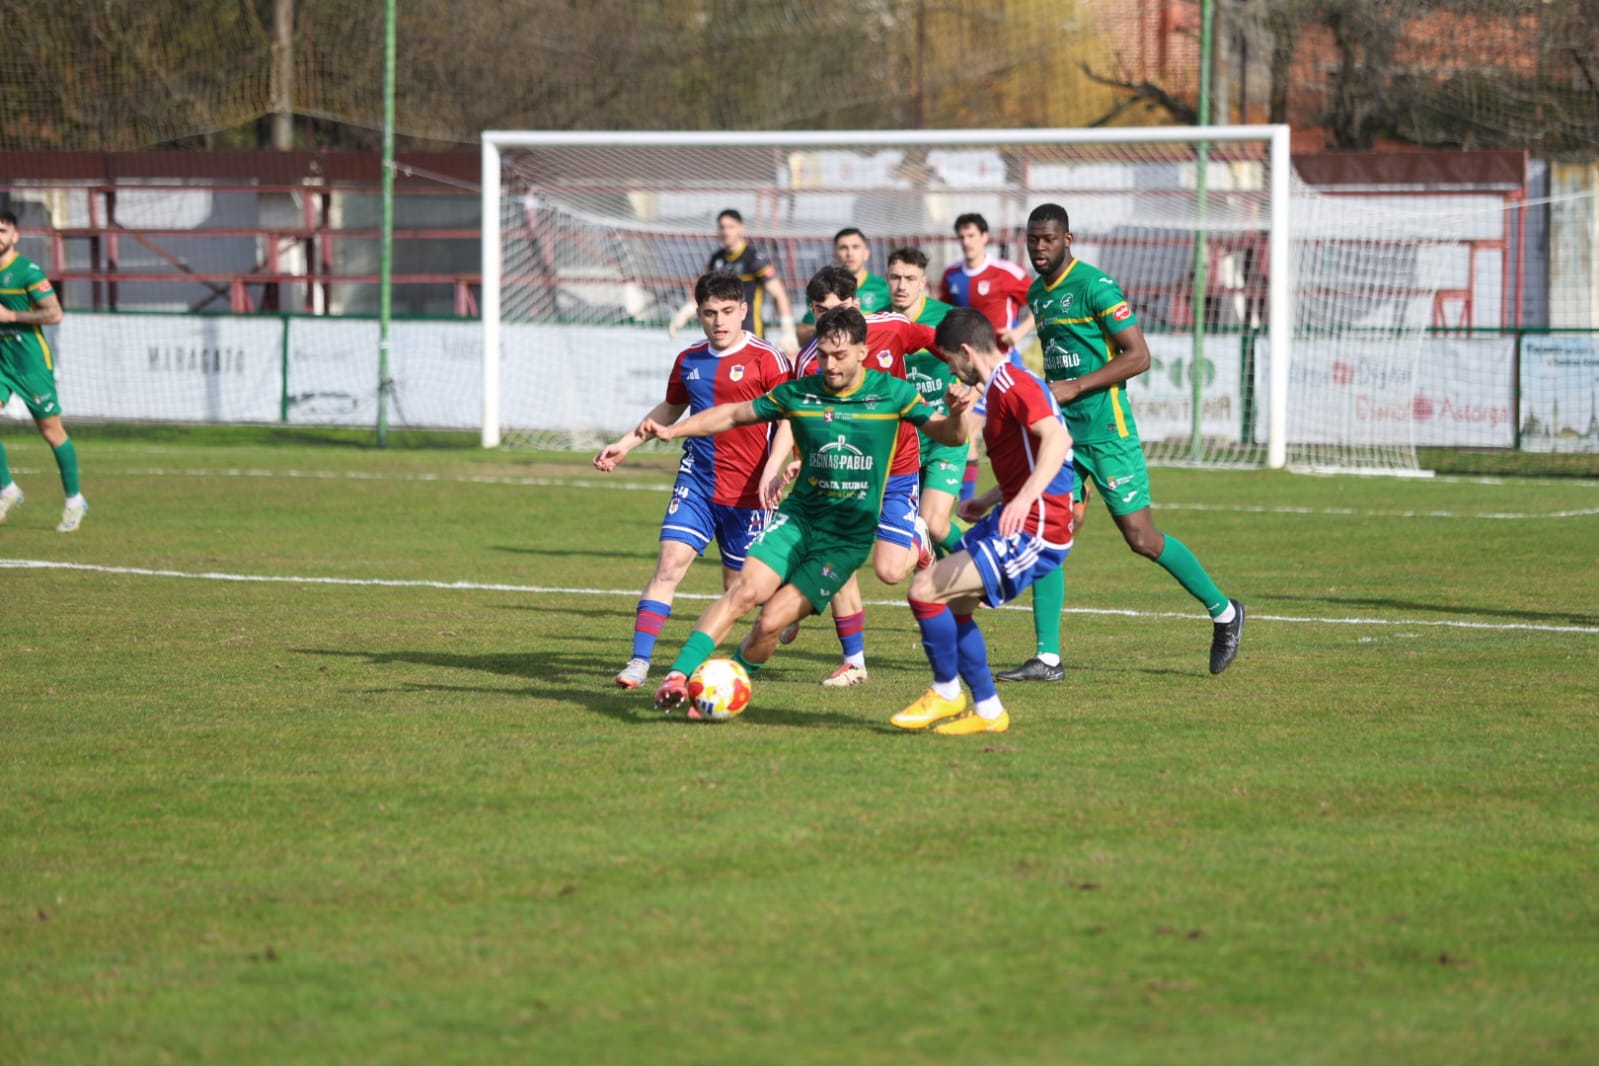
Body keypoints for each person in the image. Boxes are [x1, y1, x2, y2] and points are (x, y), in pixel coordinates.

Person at [640, 305, 972, 713]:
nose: (829, 366)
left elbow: (948, 436)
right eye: (823, 356)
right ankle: (677, 676)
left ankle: (732, 683)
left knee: (770, 622)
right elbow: (733, 414)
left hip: (845, 539)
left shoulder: (894, 394)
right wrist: (674, 429)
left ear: (863, 352)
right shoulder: (801, 393)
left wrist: (957, 414)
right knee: (745, 592)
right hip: (798, 520)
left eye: (840, 356)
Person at [1022, 202, 1244, 674]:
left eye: (1048, 239)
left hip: (1107, 432)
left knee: (1141, 538)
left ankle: (1225, 613)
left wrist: (1076, 387)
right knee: (1051, 532)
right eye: (1033, 238)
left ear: (1068, 239)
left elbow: (1138, 356)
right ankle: (1048, 656)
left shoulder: (1095, 286)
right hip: (1062, 433)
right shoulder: (1037, 294)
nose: (1039, 247)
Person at [595, 270, 794, 690]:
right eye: (709, 313)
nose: (718, 321)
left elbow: (789, 421)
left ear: (743, 310)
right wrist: (626, 444)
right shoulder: (689, 360)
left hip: (749, 491)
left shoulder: (769, 359)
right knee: (669, 564)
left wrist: (774, 469)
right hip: (698, 482)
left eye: (726, 311)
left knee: (740, 589)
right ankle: (638, 662)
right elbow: (670, 408)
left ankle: (783, 605)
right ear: (699, 314)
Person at [894, 308, 1075, 735]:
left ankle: (945, 690)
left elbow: (1058, 439)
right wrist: (993, 498)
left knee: (924, 590)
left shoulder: (1013, 383)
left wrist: (1021, 501)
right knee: (956, 605)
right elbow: (1034, 454)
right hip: (1015, 517)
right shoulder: (999, 388)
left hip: (1036, 529)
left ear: (966, 352)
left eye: (949, 362)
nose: (950, 371)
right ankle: (989, 711)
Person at [783, 265, 940, 687]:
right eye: (819, 311)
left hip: (896, 470)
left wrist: (972, 381)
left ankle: (918, 537)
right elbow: (799, 416)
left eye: (836, 309)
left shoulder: (891, 327)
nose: (827, 321)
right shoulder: (806, 362)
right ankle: (854, 661)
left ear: (855, 304)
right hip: (842, 472)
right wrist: (799, 457)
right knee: (839, 560)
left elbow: (941, 340)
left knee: (889, 572)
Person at [938, 212, 1036, 507]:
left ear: (984, 237)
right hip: (967, 370)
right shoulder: (951, 276)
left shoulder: (1008, 273)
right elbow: (943, 316)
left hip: (1001, 365)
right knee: (969, 432)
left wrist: (1019, 331)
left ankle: (967, 506)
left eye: (971, 235)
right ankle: (969, 504)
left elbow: (1040, 304)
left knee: (981, 431)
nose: (967, 242)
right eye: (962, 236)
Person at [0, 209, 85, 533]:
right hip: (0, 361)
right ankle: (7, 490)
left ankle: (74, 501)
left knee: (51, 432)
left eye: (3, 231)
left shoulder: (27, 272)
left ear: (15, 236)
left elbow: (54, 314)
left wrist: (12, 317)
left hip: (30, 362)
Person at [885, 246, 966, 561]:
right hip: (902, 444)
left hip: (942, 434)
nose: (901, 285)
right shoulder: (876, 322)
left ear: (923, 283)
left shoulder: (946, 319)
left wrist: (972, 400)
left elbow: (976, 365)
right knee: (914, 534)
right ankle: (945, 588)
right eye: (895, 277)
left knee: (932, 523)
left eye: (910, 278)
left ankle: (989, 565)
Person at [669, 209, 799, 353]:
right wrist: (686, 312)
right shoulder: (717, 259)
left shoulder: (754, 258)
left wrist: (787, 329)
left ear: (741, 228)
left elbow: (779, 294)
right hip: (722, 336)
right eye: (722, 227)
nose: (726, 232)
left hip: (750, 336)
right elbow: (705, 293)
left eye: (731, 227)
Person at [796, 227, 891, 346]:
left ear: (866, 253)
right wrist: (827, 328)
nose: (849, 253)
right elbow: (803, 335)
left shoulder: (884, 288)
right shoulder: (821, 288)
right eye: (843, 248)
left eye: (855, 247)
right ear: (835, 255)